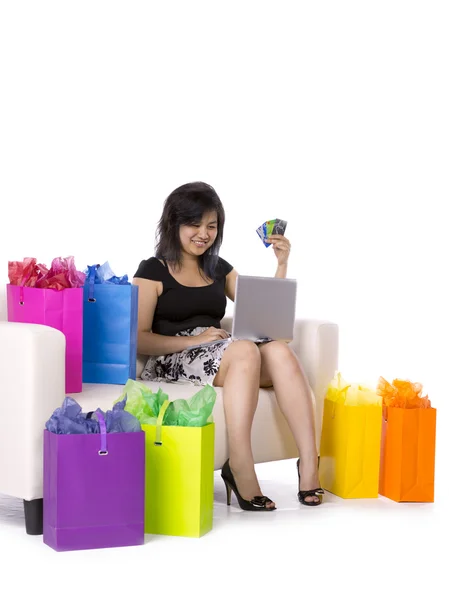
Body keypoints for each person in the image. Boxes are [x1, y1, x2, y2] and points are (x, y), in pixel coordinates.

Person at [133, 182, 324, 510]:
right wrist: (195, 339)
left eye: (211, 226)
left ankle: (309, 463)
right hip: (171, 358)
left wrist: (281, 264)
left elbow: (265, 312)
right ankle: (240, 467)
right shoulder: (152, 270)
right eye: (194, 224)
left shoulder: (219, 268)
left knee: (277, 349)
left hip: (222, 353)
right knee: (246, 350)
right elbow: (139, 337)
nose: (203, 234)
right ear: (174, 224)